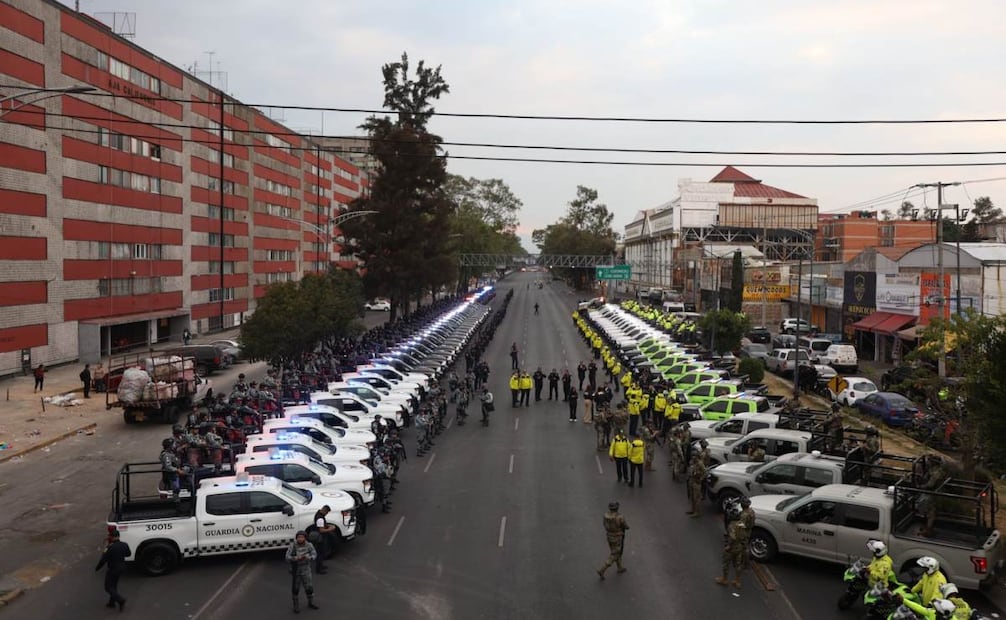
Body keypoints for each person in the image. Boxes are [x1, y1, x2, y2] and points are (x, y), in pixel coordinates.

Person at [95, 529, 131, 610]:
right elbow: (128, 554)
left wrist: (97, 568)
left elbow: (103, 559)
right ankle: (112, 603)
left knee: (108, 587)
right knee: (113, 586)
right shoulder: (124, 544)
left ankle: (120, 600)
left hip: (113, 569)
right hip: (122, 568)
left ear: (111, 537)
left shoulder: (110, 547)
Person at [715, 501, 747, 588]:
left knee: (726, 564)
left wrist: (728, 546)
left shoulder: (731, 525)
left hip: (732, 548)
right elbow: (744, 535)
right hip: (739, 547)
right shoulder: (741, 524)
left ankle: (724, 579)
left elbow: (732, 537)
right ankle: (737, 580)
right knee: (738, 565)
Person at [286, 531, 319, 613]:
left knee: (309, 587)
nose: (300, 539)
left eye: (302, 537)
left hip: (306, 569)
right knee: (295, 588)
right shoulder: (292, 545)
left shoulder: (309, 545)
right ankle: (296, 605)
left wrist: (309, 557)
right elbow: (287, 557)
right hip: (296, 569)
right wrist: (296, 558)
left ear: (305, 538)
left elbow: (314, 554)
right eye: (298, 537)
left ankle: (311, 602)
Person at [596, 501, 629, 579]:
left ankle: (620, 567)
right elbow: (626, 526)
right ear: (617, 508)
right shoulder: (620, 517)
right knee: (614, 554)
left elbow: (604, 524)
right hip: (617, 537)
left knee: (615, 552)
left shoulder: (605, 515)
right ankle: (602, 570)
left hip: (609, 536)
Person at [308, 505, 338, 574]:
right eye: (327, 513)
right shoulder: (320, 519)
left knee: (321, 553)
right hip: (320, 538)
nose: (327, 514)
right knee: (320, 553)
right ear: (325, 511)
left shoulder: (318, 514)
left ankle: (321, 565)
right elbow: (321, 530)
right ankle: (319, 569)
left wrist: (327, 525)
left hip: (320, 537)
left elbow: (322, 525)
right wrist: (331, 528)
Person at [685, 452, 706, 516]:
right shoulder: (691, 462)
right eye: (692, 456)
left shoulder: (700, 464)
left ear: (697, 457)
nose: (693, 457)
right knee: (692, 497)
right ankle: (693, 509)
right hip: (691, 480)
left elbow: (704, 473)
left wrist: (701, 479)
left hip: (697, 481)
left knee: (696, 497)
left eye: (695, 456)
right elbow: (690, 470)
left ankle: (697, 512)